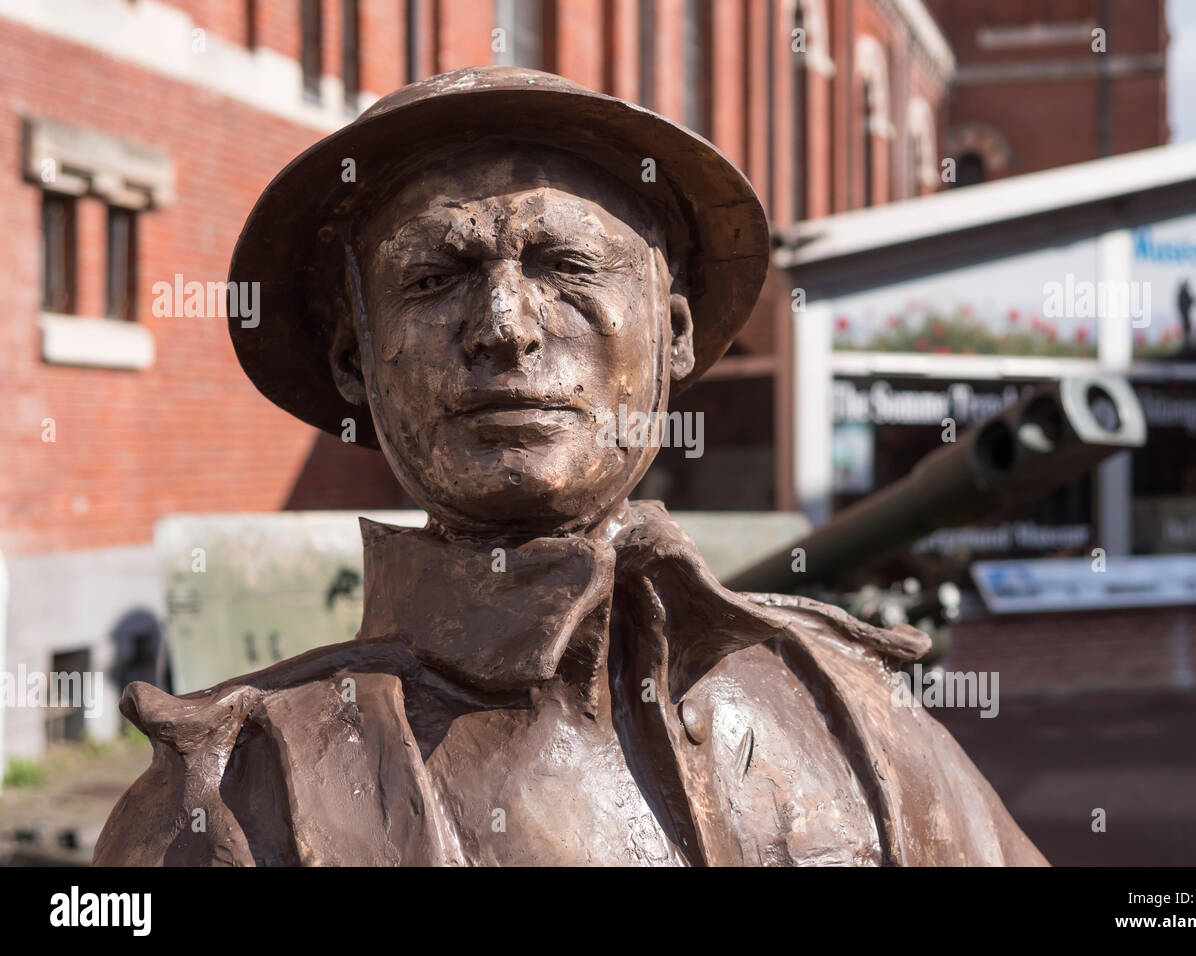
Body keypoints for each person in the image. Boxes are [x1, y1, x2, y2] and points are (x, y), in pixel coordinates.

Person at [94, 68, 1046, 867]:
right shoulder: (230, 793)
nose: (505, 327)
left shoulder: (851, 717)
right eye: (434, 279)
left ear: (671, 333)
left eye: (567, 266)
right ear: (356, 360)